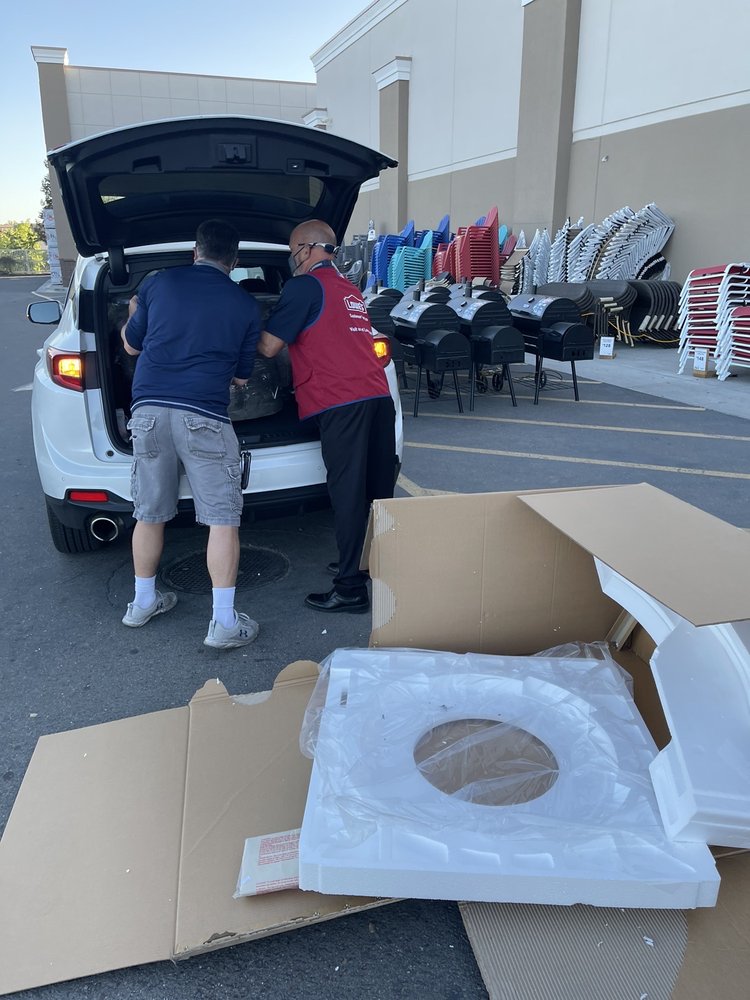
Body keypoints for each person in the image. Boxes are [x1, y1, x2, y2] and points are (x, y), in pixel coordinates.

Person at [120, 218, 262, 648]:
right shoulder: (245, 305)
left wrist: (132, 312)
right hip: (203, 415)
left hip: (147, 412)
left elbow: (130, 345)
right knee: (222, 519)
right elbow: (241, 379)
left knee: (149, 512)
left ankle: (142, 601)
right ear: (233, 261)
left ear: (195, 252)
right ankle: (223, 623)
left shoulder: (158, 284)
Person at [257, 220, 396, 614]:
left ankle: (350, 589)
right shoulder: (349, 289)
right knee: (375, 492)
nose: (293, 259)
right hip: (377, 397)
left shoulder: (304, 286)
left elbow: (269, 347)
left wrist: (237, 325)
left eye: (293, 252)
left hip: (341, 402)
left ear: (305, 249)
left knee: (348, 492)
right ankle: (371, 565)